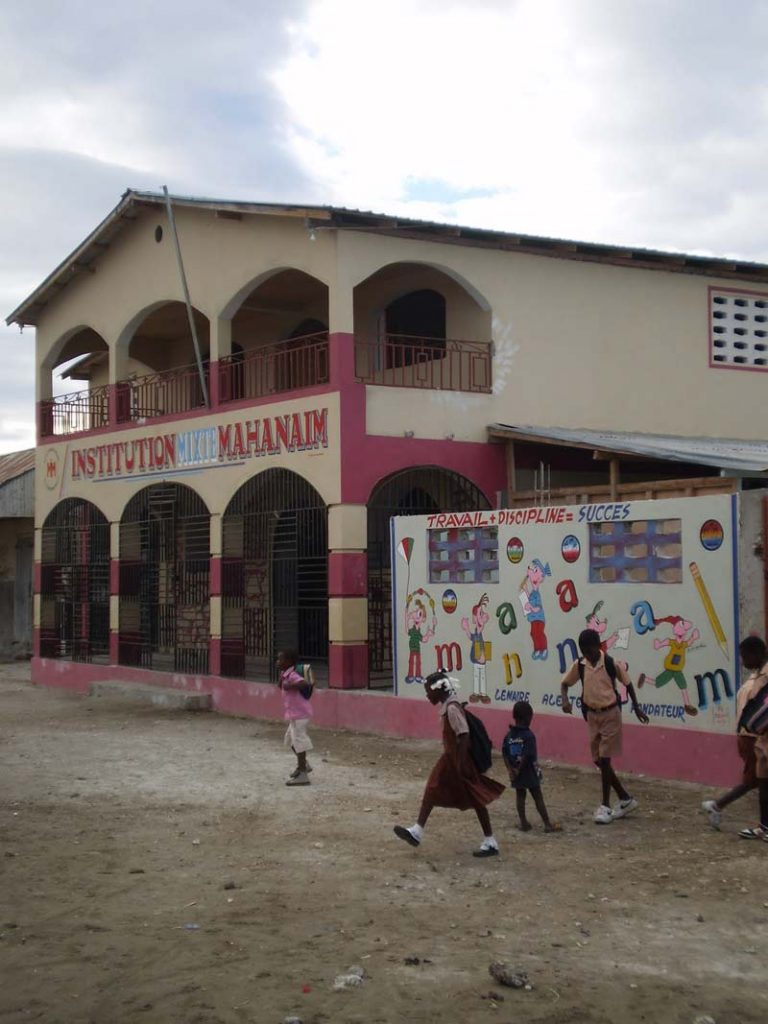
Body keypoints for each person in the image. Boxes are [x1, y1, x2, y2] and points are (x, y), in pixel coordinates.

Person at [393, 670, 505, 857]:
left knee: (471, 796)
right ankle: (418, 831)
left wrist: (460, 764)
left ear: (440, 691)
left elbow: (464, 734)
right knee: (437, 790)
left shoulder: (452, 709)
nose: (427, 695)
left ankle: (489, 840)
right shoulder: (450, 706)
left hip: (456, 760)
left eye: (429, 691)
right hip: (453, 759)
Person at [560, 628, 649, 824]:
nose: (587, 655)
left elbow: (628, 684)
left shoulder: (610, 663)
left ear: (598, 646)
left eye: (590, 651)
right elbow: (565, 683)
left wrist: (637, 707)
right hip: (592, 716)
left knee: (605, 759)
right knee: (599, 761)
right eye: (584, 651)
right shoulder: (580, 665)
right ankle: (625, 798)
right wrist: (564, 699)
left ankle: (605, 806)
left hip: (610, 714)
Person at [701, 636, 767, 830]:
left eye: (744, 656)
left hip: (753, 736)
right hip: (753, 736)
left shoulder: (760, 678)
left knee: (756, 781)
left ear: (756, 654)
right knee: (756, 781)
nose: (743, 661)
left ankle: (719, 805)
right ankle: (719, 806)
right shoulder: (756, 679)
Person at [502, 700, 560, 833]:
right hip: (529, 771)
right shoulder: (529, 736)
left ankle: (523, 822)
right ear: (527, 718)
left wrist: (511, 770)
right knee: (537, 796)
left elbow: (504, 754)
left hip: (516, 772)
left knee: (520, 795)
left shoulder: (509, 736)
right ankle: (547, 823)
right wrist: (519, 769)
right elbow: (528, 755)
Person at [277, 649, 313, 786]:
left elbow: (304, 684)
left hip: (300, 713)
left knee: (298, 740)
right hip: (294, 714)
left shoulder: (293, 674)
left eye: (281, 660)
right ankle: (303, 765)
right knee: (291, 740)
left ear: (290, 662)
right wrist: (282, 678)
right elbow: (280, 686)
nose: (278, 662)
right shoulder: (285, 674)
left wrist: (290, 684)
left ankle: (303, 774)